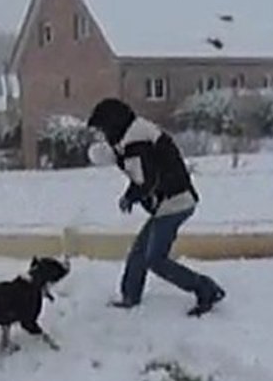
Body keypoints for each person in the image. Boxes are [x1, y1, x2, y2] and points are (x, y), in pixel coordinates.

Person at [87, 97, 225, 316]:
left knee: (155, 259)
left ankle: (205, 288)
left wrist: (131, 196)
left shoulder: (135, 140)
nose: (103, 136)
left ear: (113, 124)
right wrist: (131, 194)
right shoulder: (136, 134)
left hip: (175, 202)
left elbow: (147, 180)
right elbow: (144, 175)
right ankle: (130, 295)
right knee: (140, 252)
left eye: (103, 130)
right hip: (171, 201)